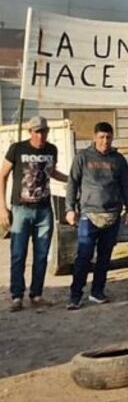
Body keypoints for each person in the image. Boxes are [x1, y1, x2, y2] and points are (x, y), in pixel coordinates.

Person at [65, 122, 128, 310]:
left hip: (112, 215)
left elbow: (126, 186)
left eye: (108, 137)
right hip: (89, 215)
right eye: (102, 137)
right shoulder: (83, 157)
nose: (105, 141)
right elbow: (72, 183)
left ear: (112, 138)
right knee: (84, 255)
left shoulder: (118, 160)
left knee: (105, 257)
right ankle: (75, 296)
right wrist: (69, 208)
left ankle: (97, 292)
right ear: (94, 137)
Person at [0, 116, 68, 312]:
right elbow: (2, 175)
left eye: (44, 131)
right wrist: (2, 207)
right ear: (30, 132)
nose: (41, 135)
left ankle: (36, 294)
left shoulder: (51, 150)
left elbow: (51, 172)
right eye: (37, 131)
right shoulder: (17, 149)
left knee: (42, 255)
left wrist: (71, 179)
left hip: (43, 209)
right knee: (18, 254)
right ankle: (16, 296)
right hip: (21, 209)